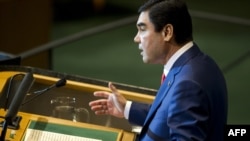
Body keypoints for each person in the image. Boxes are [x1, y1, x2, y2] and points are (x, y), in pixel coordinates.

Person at [89, 0, 228, 140]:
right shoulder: (199, 63)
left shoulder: (188, 84)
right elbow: (168, 116)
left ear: (167, 32)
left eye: (142, 29)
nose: (136, 38)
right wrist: (126, 108)